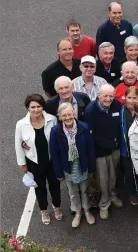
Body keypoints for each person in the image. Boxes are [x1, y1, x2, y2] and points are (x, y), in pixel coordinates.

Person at [15, 94, 61, 225]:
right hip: (34, 163)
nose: (36, 110)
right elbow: (18, 145)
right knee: (40, 188)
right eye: (33, 107)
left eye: (39, 106)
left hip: (51, 161)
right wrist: (22, 164)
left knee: (55, 186)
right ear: (27, 108)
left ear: (43, 107)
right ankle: (44, 210)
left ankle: (57, 207)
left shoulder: (52, 119)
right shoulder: (21, 124)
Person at [50, 103, 96, 228]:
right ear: (60, 117)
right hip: (68, 166)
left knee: (84, 190)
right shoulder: (55, 131)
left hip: (83, 164)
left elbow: (90, 149)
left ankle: (87, 210)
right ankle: (78, 212)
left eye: (69, 114)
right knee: (73, 192)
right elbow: (54, 153)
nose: (67, 117)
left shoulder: (84, 127)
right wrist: (58, 173)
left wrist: (92, 168)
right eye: (64, 115)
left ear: (74, 114)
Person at [84, 84, 123, 220]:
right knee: (103, 179)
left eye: (111, 96)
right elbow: (92, 135)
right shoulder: (90, 111)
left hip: (115, 149)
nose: (108, 99)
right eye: (105, 96)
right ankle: (104, 204)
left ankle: (113, 196)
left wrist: (117, 144)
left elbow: (120, 125)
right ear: (98, 95)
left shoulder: (117, 105)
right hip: (100, 152)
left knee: (113, 176)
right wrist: (110, 144)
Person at [119, 86, 138, 206]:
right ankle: (132, 193)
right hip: (126, 150)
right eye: (129, 97)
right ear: (125, 98)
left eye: (134, 97)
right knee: (129, 173)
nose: (132, 100)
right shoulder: (121, 111)